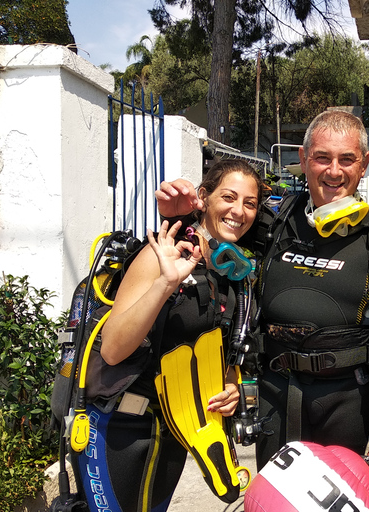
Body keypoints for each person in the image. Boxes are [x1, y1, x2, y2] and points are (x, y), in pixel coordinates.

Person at [156, 110, 369, 478]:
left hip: (347, 400)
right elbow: (215, 229)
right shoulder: (275, 220)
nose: (334, 171)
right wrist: (185, 211)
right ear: (303, 160)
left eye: (347, 159)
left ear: (364, 163)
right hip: (274, 397)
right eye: (322, 158)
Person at [72, 160, 264, 512]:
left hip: (174, 430)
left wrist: (232, 387)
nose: (239, 211)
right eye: (229, 197)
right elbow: (113, 350)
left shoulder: (231, 272)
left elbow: (223, 353)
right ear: (203, 197)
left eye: (250, 203)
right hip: (119, 428)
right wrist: (165, 284)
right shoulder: (161, 254)